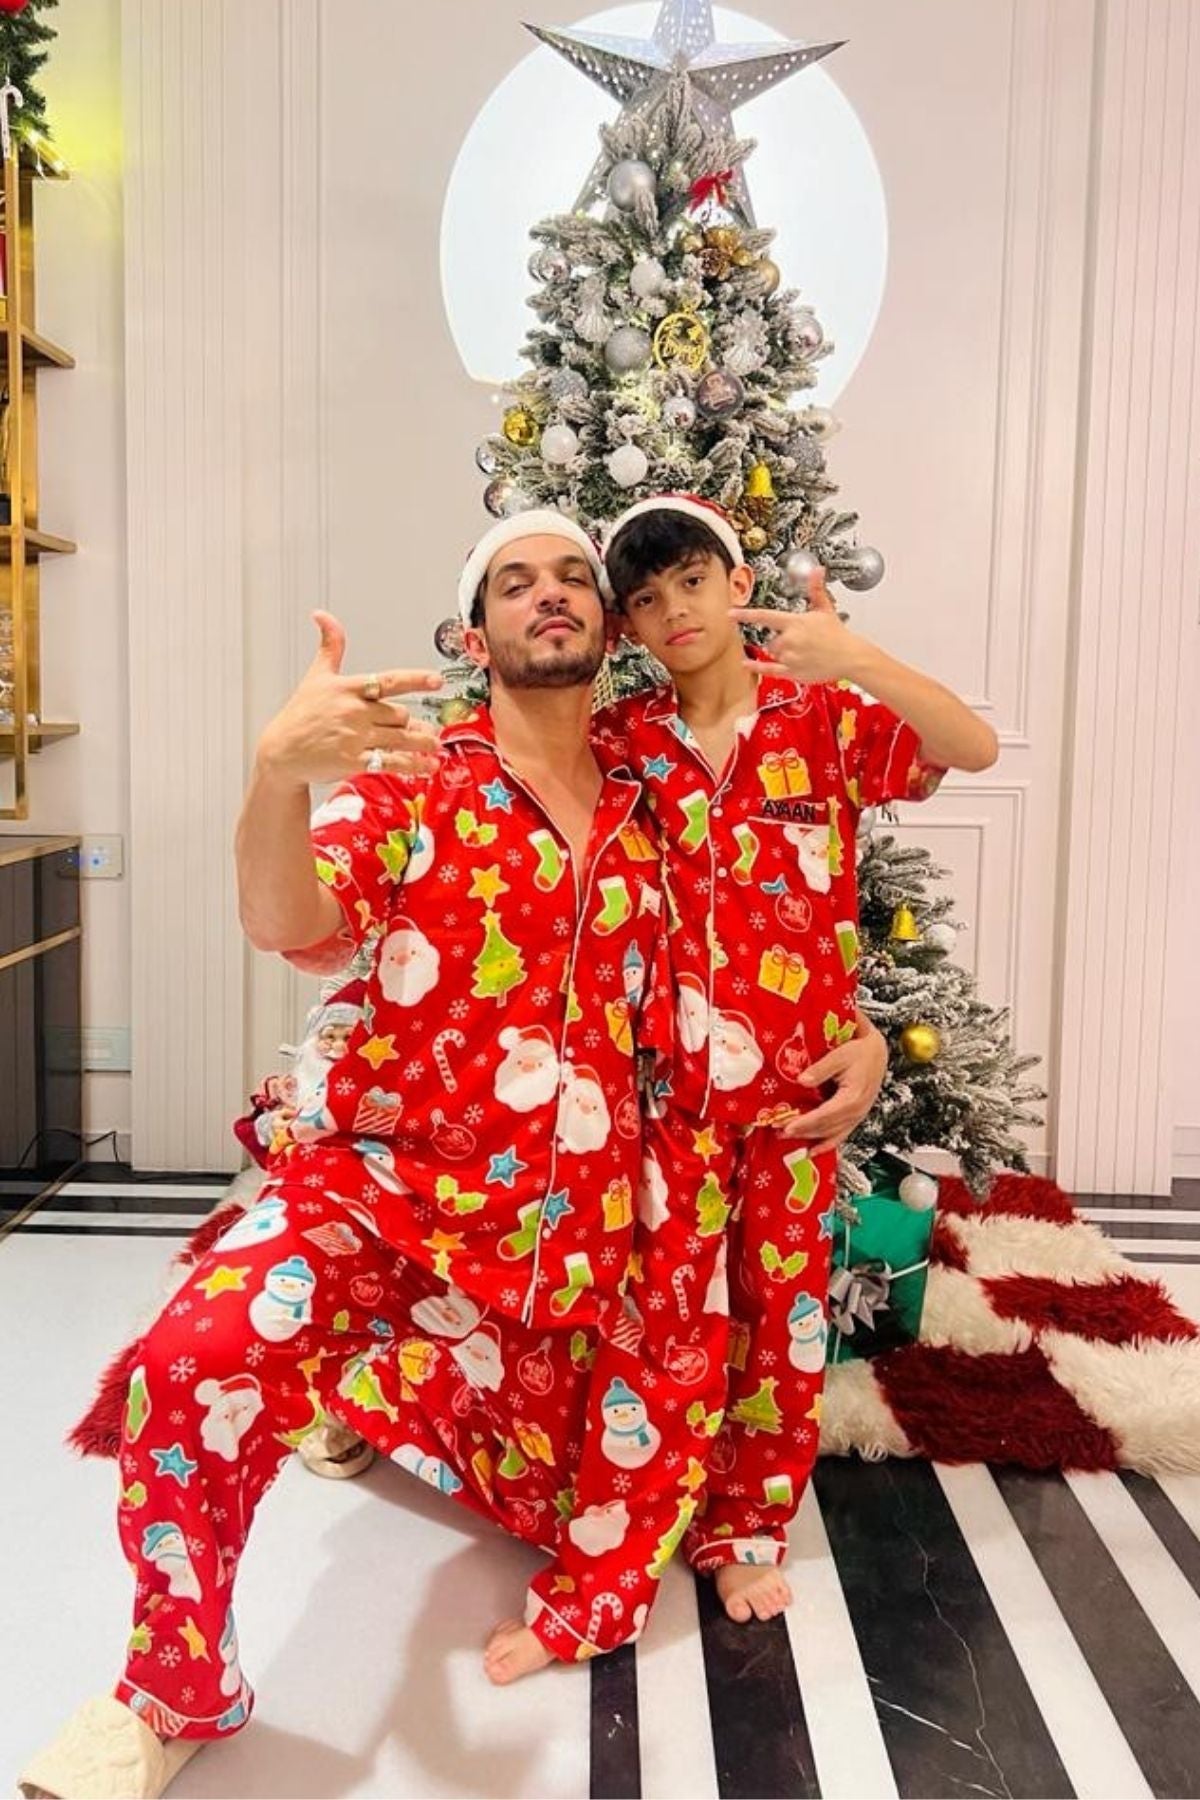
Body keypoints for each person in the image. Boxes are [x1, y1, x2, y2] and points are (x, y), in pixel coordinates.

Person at [19, 511, 703, 1797]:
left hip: (566, 1238)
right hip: (383, 1197)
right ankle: (171, 1688)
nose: (550, 594)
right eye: (516, 582)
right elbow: (293, 919)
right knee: (191, 1366)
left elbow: (772, 931)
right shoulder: (415, 778)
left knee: (598, 1518)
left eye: (573, 577)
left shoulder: (659, 796)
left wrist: (859, 1042)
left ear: (612, 624)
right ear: (475, 635)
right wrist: (275, 774)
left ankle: (374, 1395)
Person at [593, 493, 998, 1624]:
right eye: (647, 598)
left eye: (692, 581)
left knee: (782, 1318)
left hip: (798, 1097)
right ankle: (652, 1503)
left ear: (737, 583)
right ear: (627, 625)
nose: (675, 611)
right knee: (669, 1314)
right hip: (665, 1095)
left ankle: (744, 1525)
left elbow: (970, 748)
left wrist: (857, 657)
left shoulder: (822, 717)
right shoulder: (621, 740)